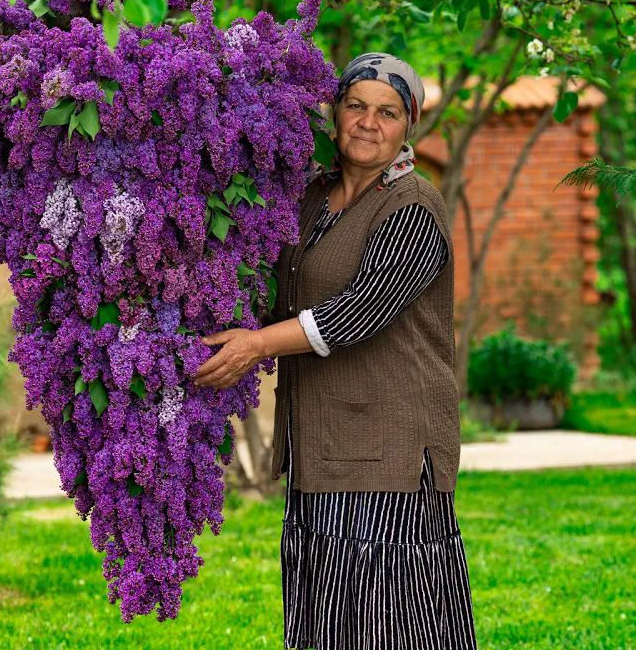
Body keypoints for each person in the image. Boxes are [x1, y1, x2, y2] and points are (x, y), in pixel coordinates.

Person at [193, 52, 477, 650]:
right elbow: (273, 289)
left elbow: (358, 312)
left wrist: (255, 347)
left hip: (390, 452)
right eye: (356, 105)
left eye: (388, 111)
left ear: (410, 125)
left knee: (396, 625)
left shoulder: (413, 208)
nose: (368, 123)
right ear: (335, 111)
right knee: (326, 625)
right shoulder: (311, 198)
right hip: (321, 450)